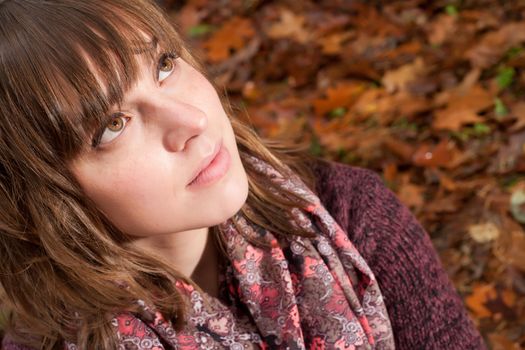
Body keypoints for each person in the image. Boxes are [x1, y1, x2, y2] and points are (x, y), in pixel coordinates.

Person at [0, 0, 486, 349]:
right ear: (39, 195)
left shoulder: (349, 213)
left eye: (165, 64)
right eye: (112, 125)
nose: (191, 121)